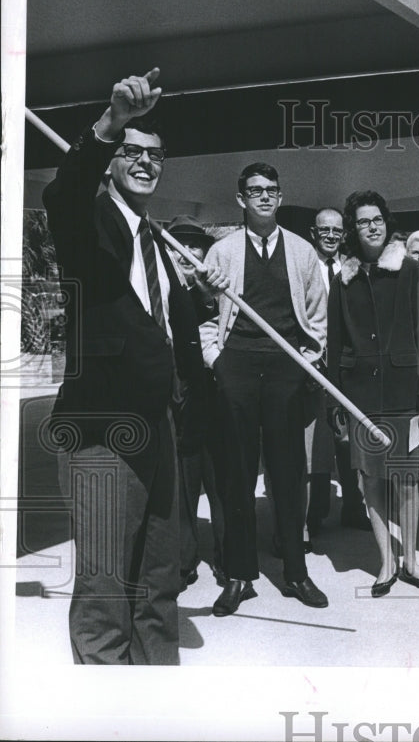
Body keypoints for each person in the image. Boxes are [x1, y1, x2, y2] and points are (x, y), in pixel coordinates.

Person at [42, 68, 226, 664]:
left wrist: (200, 294)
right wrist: (109, 123)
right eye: (132, 152)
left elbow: (162, 333)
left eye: (156, 155)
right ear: (113, 159)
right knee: (104, 592)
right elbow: (61, 194)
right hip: (104, 432)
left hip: (163, 427)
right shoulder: (89, 221)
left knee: (159, 579)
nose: (146, 163)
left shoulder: (158, 242)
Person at [202, 162, 329, 615]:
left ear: (279, 197)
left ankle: (295, 572)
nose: (263, 197)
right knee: (236, 472)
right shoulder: (222, 251)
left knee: (288, 470)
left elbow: (316, 314)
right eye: (254, 191)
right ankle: (240, 575)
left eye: (271, 190)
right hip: (235, 364)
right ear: (241, 199)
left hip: (284, 368)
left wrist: (305, 362)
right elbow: (205, 313)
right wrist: (217, 360)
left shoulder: (301, 251)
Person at [327, 191, 419, 597]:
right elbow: (335, 338)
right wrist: (337, 398)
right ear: (353, 229)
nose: (371, 227)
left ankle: (411, 560)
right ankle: (386, 563)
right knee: (371, 481)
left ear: (386, 222)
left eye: (377, 219)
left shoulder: (410, 270)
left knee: (408, 479)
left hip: (404, 389)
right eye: (362, 221)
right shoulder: (344, 277)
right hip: (360, 395)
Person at [164, 215, 227, 589]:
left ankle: (227, 558)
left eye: (196, 250)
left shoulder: (220, 294)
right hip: (180, 405)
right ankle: (184, 561)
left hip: (217, 404)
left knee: (222, 484)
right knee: (182, 486)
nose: (188, 255)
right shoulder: (159, 291)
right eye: (179, 249)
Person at [305, 207, 370, 536]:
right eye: (324, 230)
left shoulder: (350, 268)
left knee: (348, 438)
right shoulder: (304, 264)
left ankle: (353, 506)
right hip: (315, 364)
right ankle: (315, 512)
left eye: (337, 230)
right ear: (313, 233)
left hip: (346, 363)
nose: (331, 235)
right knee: (318, 441)